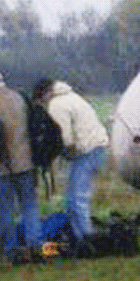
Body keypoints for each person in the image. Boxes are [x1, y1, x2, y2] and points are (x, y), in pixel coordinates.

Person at [32, 78, 108, 247]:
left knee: (77, 198)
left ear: (44, 95)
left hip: (87, 152)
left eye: (40, 101)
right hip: (96, 149)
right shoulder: (71, 96)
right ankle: (78, 237)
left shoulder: (57, 105)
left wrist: (51, 155)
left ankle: (88, 240)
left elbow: (65, 138)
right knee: (73, 198)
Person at [0, 69, 41, 265]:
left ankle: (10, 253)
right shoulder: (20, 96)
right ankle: (35, 250)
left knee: (4, 209)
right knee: (30, 206)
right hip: (25, 162)